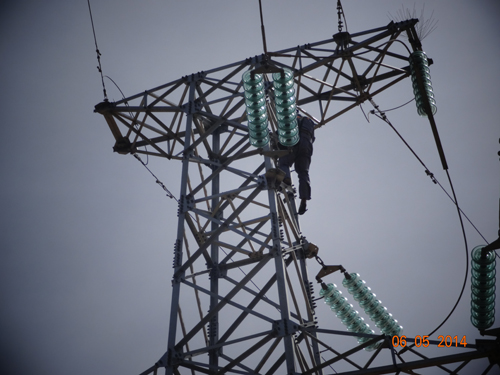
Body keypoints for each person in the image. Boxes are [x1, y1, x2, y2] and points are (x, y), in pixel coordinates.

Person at [278, 112, 315, 215]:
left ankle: (286, 179)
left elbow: (284, 130)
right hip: (307, 146)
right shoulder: (309, 122)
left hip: (294, 141)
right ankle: (304, 199)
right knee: (303, 173)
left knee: (283, 162)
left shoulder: (292, 118)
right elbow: (313, 139)